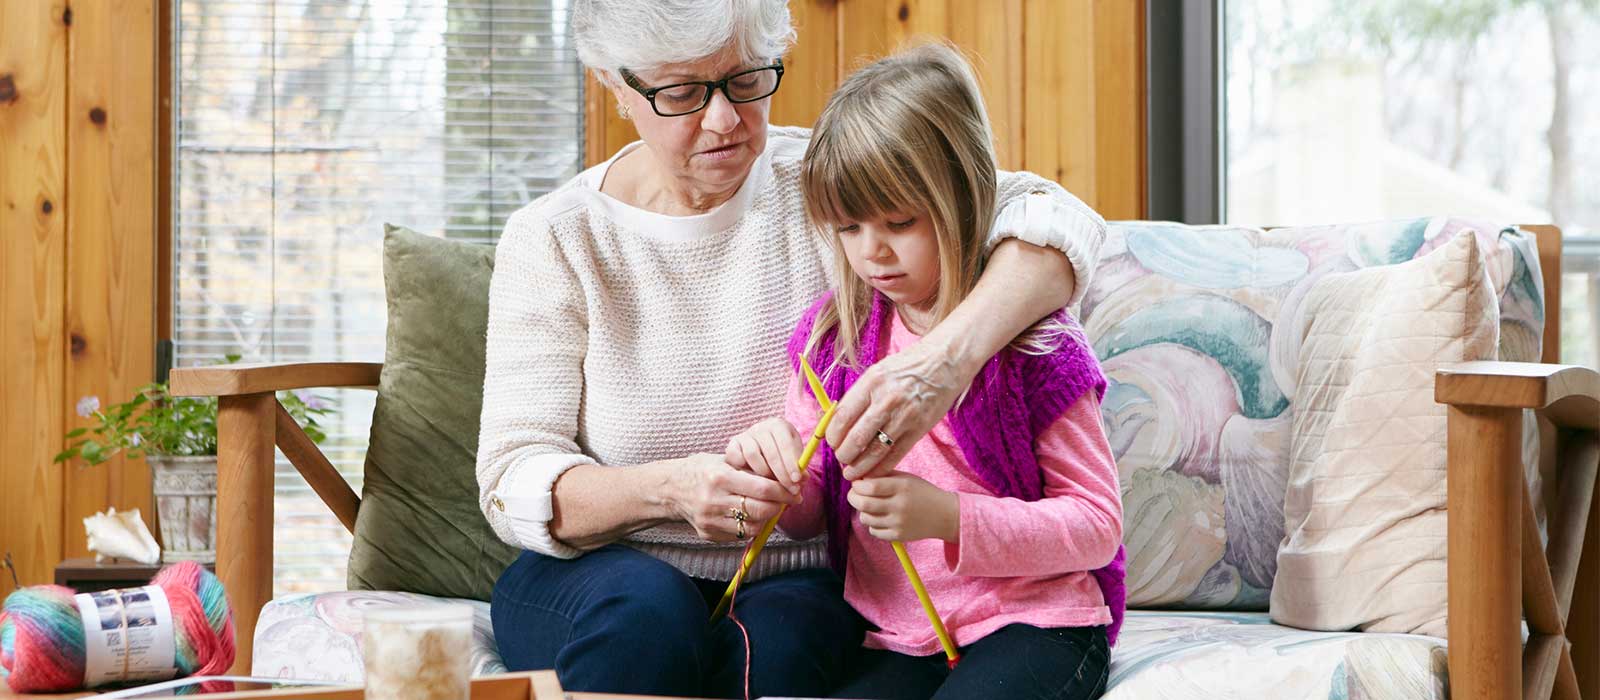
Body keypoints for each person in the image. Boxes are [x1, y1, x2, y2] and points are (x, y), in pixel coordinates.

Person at [477, 2, 1109, 696]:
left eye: (745, 80)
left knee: (785, 641)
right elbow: (513, 478)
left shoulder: (834, 184)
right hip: (601, 570)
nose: (724, 120)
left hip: (789, 574)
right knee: (645, 618)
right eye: (683, 92)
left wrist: (944, 361)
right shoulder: (555, 237)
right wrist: (671, 488)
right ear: (612, 83)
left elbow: (1052, 218)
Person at [726, 43, 1125, 700]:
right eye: (848, 227)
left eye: (899, 222)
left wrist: (949, 517)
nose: (871, 251)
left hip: (1037, 625)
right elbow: (804, 514)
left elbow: (1095, 524)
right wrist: (769, 471)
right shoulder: (835, 340)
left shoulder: (1034, 343)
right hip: (894, 635)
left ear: (963, 197)